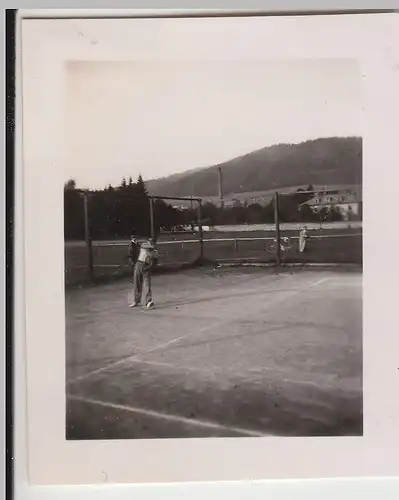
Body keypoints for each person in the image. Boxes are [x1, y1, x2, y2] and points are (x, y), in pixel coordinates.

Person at [130, 238, 158, 309]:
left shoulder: (154, 251)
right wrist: (134, 242)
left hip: (146, 266)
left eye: (151, 242)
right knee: (137, 283)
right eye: (149, 241)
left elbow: (154, 262)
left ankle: (148, 301)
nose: (149, 242)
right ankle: (136, 301)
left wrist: (149, 267)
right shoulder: (144, 247)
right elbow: (137, 246)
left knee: (147, 285)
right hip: (139, 264)